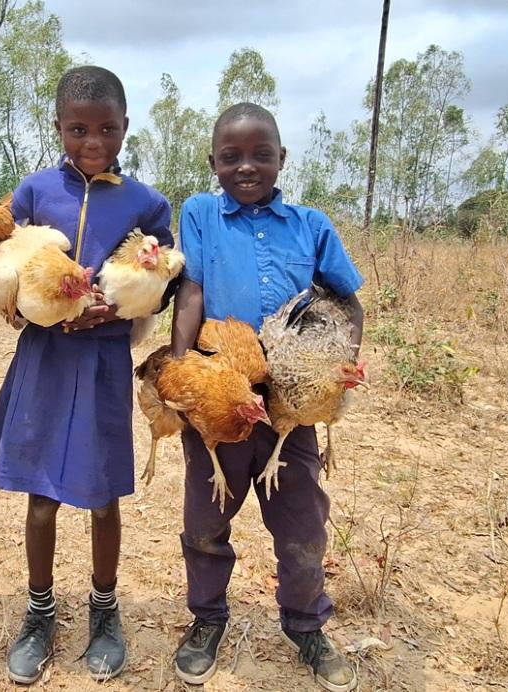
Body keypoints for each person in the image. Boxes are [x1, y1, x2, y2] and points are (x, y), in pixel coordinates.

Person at [0, 65, 174, 684]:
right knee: (40, 494)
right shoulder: (35, 192)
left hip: (104, 360)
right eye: (78, 129)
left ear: (125, 126)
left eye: (107, 129)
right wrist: (28, 307)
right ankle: (39, 611)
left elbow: (165, 277)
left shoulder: (146, 203)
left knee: (101, 493)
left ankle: (104, 609)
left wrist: (119, 306)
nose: (94, 142)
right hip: (44, 357)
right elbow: (2, 260)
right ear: (59, 126)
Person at [169, 102, 365, 692]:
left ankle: (306, 626)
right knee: (206, 520)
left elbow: (348, 302)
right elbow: (192, 292)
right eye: (231, 157)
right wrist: (180, 367)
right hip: (222, 397)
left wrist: (336, 367)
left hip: (288, 408)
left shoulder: (311, 225)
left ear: (282, 158)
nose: (246, 166)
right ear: (213, 162)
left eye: (261, 155)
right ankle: (207, 619)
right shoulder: (201, 214)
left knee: (302, 522)